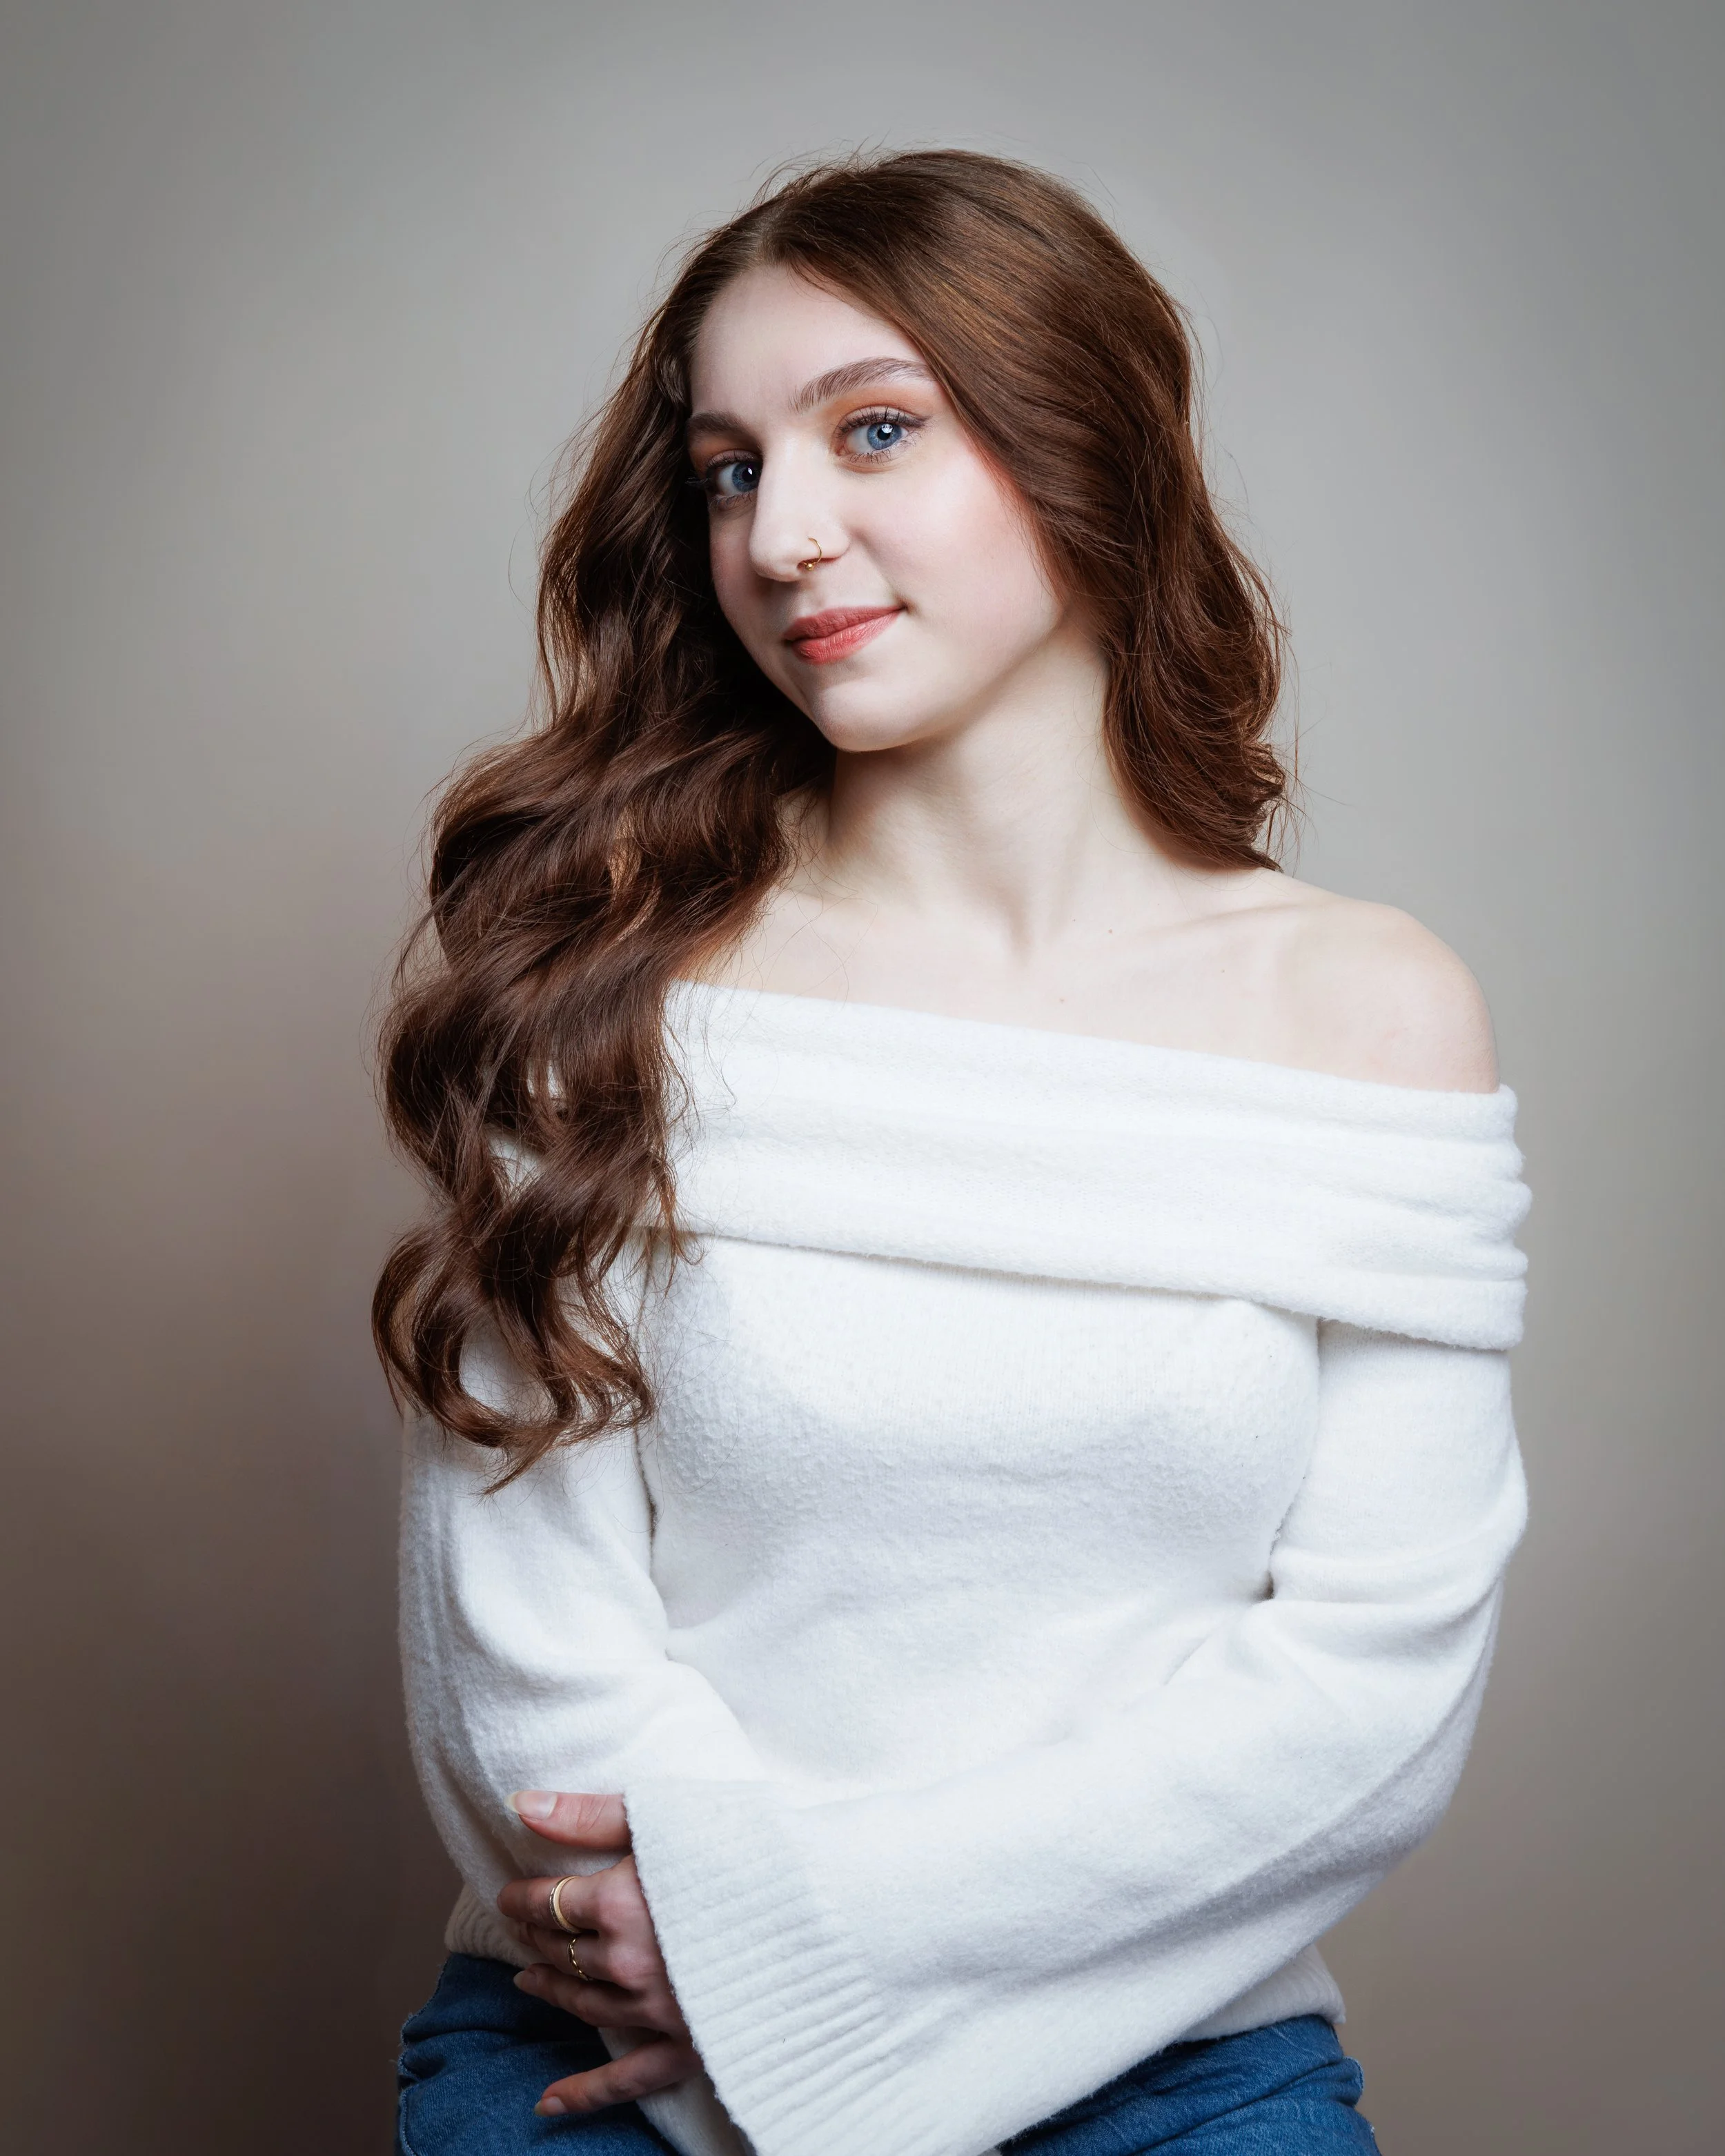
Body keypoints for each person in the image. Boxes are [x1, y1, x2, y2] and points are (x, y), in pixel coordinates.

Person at [377, 150, 1530, 2156]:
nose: (781, 532)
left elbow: (1370, 1685)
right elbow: (521, 1652)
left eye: (873, 432)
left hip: (1171, 2065)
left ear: (1082, 447)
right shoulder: (596, 973)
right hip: (614, 2036)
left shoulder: (1370, 1009)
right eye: (728, 468)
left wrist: (798, 1950)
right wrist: (715, 1990)